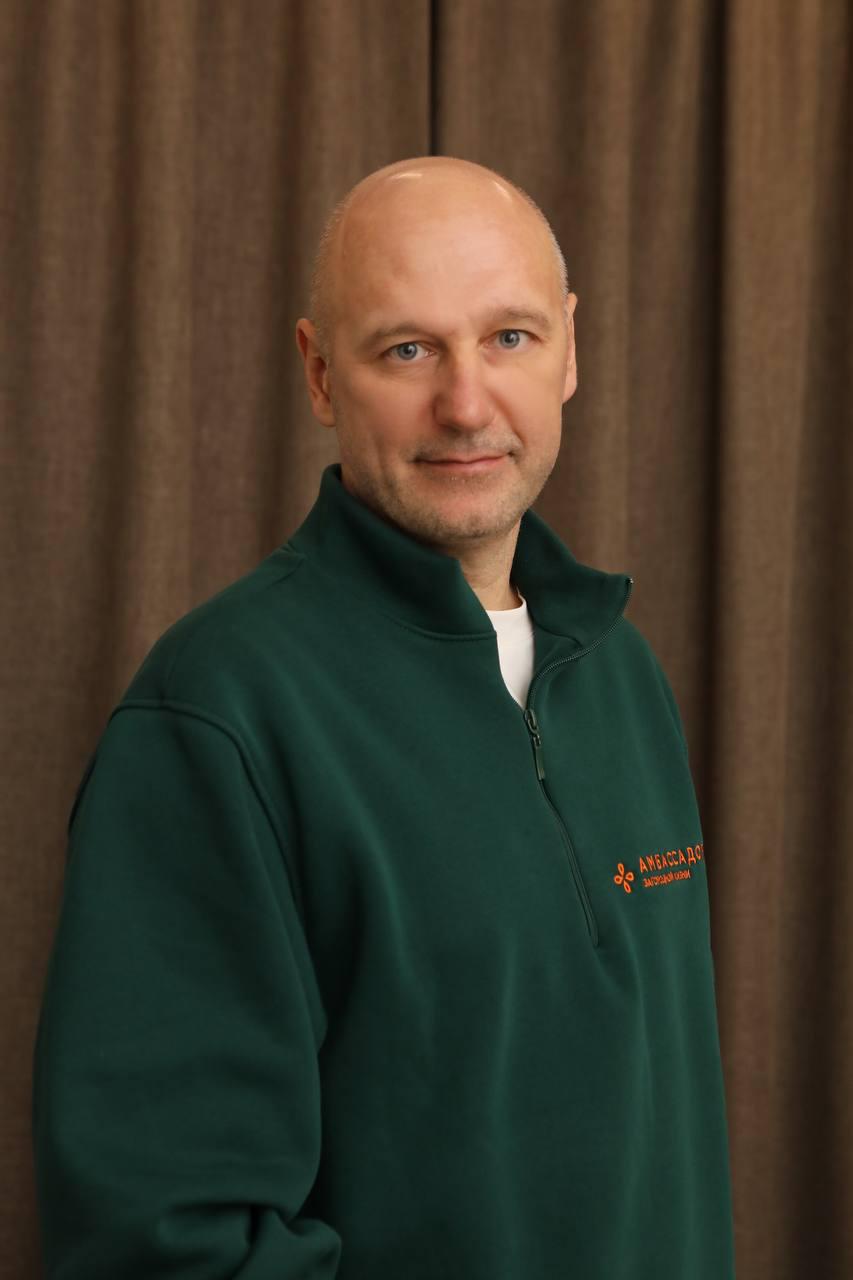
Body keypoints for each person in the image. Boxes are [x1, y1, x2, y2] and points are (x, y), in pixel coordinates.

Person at [32, 155, 736, 1279]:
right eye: (407, 349)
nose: (466, 403)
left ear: (568, 347)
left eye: (508, 337)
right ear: (319, 373)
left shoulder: (618, 672)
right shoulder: (216, 713)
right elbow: (163, 1241)